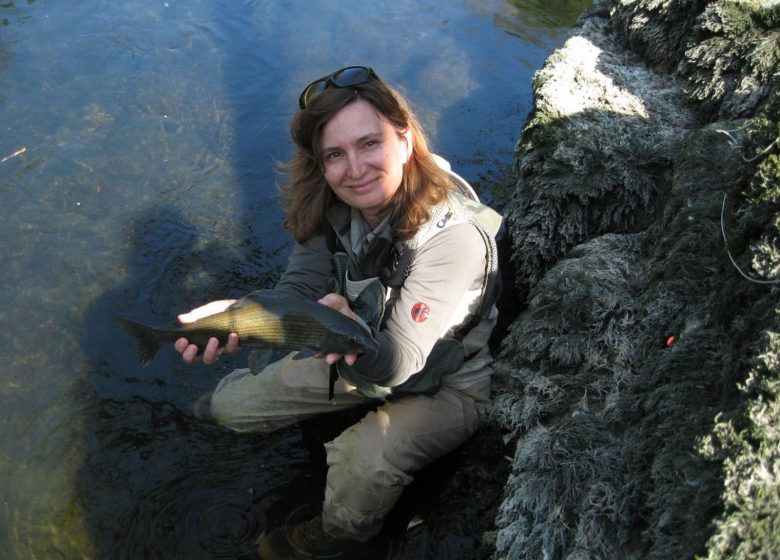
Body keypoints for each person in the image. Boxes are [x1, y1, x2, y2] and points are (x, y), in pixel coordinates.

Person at [173, 66, 502, 559]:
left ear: (406, 139)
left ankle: (332, 540)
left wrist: (341, 328)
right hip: (348, 347)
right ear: (320, 164)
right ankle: (215, 409)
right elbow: (301, 285)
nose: (355, 169)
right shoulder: (334, 203)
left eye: (370, 144)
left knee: (362, 461)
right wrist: (243, 316)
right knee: (232, 408)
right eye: (335, 155)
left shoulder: (453, 240)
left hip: (446, 382)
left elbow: (399, 364)